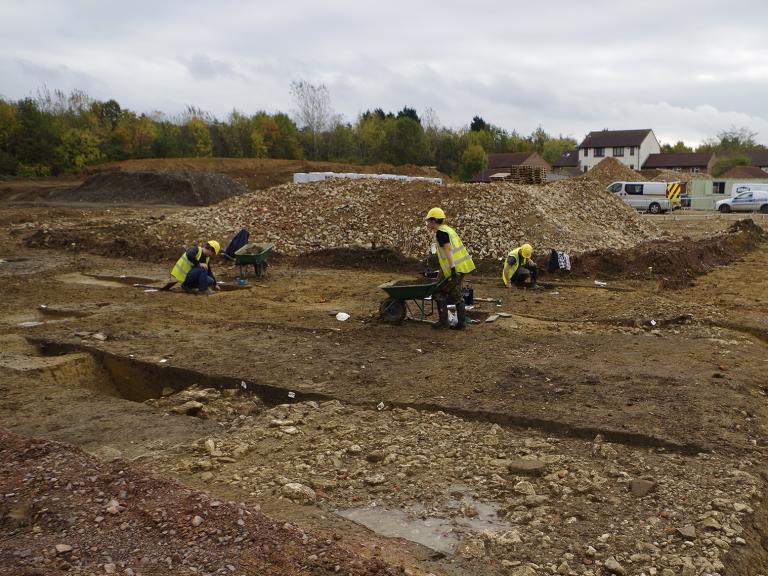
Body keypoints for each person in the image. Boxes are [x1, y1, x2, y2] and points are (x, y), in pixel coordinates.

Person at [425, 207, 476, 330]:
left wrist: (453, 268)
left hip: (454, 268)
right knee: (456, 292)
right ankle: (461, 323)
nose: (428, 223)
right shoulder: (448, 230)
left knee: (438, 292)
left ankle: (443, 322)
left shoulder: (441, 232)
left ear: (434, 220)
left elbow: (448, 249)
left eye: (429, 220)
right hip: (462, 266)